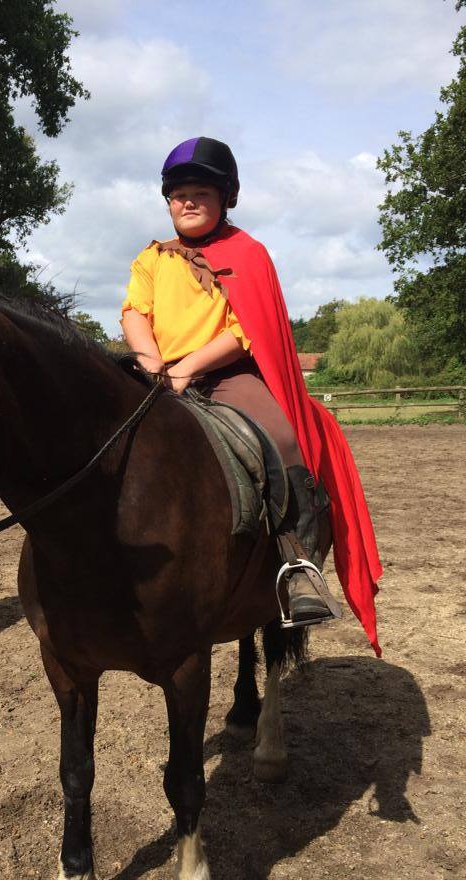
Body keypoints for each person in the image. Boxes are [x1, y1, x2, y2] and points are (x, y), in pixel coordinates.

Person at [121, 137, 383, 652]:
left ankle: (297, 563)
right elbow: (134, 312)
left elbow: (246, 329)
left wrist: (187, 367)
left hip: (228, 375)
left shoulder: (248, 254)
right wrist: (153, 365)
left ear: (225, 199)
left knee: (283, 438)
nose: (188, 201)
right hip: (159, 373)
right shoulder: (151, 258)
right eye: (179, 194)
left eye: (201, 193)